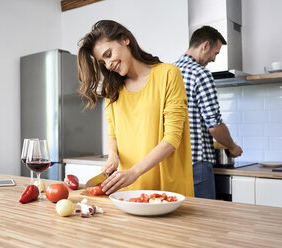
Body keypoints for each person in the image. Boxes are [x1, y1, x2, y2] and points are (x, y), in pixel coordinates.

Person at [77, 20, 194, 196]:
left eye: (109, 54)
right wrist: (112, 155)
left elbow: (172, 139)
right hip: (128, 193)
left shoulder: (168, 74)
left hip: (167, 192)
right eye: (103, 61)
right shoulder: (112, 90)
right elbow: (113, 134)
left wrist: (134, 172)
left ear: (125, 39)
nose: (108, 65)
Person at [174, 26, 243, 199]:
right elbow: (214, 126)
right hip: (197, 163)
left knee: (179, 220)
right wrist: (232, 146)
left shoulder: (168, 72)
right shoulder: (201, 74)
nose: (213, 59)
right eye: (215, 53)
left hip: (172, 163)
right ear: (204, 45)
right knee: (206, 220)